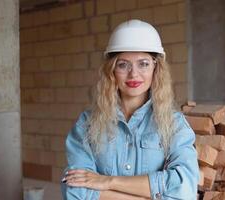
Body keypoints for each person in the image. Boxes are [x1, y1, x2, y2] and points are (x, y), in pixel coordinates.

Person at [61, 19, 199, 200]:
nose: (133, 74)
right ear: (111, 70)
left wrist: (109, 181)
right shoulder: (87, 124)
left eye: (143, 64)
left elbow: (185, 188)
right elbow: (73, 190)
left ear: (155, 68)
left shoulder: (174, 124)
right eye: (123, 64)